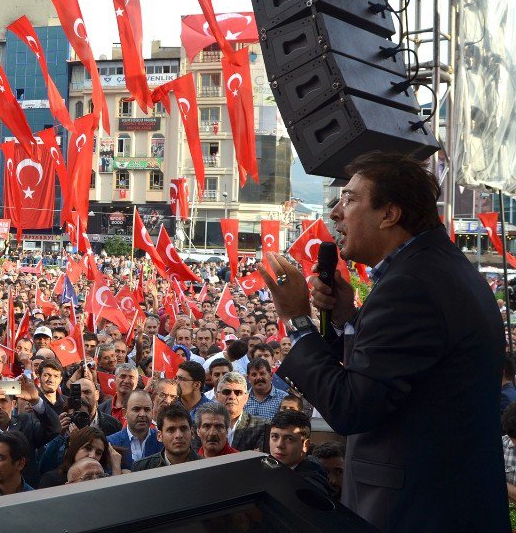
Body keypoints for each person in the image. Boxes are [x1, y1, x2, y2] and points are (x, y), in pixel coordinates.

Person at [263, 153, 508, 531]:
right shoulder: (437, 268)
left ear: (389, 214)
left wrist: (297, 320)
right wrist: (347, 319)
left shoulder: (410, 285)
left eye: (349, 199)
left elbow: (351, 407)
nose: (335, 213)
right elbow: (402, 371)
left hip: (415, 511)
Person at [268, 409, 331, 496]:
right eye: (275, 436)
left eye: (289, 439)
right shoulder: (264, 468)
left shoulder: (311, 487)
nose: (279, 445)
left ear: (305, 445)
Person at [38, 426, 118, 488]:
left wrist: (116, 468)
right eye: (88, 448)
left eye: (98, 453)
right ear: (75, 448)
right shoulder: (51, 480)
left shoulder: (104, 478)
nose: (92, 456)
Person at [132, 402, 200, 471]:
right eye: (171, 430)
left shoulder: (205, 467)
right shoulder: (142, 468)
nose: (178, 435)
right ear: (159, 436)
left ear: (192, 433)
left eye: (183, 429)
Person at [106, 390, 159, 471]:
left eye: (147, 409)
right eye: (136, 409)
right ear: (124, 413)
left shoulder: (161, 440)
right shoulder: (111, 443)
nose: (142, 414)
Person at [215, 372, 268, 452]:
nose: (232, 397)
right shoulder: (204, 426)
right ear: (217, 396)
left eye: (238, 392)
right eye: (226, 392)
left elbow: (260, 460)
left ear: (246, 398)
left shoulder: (262, 426)